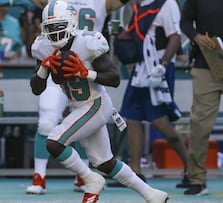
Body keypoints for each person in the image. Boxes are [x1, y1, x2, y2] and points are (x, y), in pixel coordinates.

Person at [30, 1, 169, 203]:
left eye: (58, 26)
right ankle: (152, 194)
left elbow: (114, 78)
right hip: (79, 106)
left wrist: (85, 73)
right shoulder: (43, 47)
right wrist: (43, 70)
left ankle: (89, 178)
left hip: (96, 104)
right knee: (105, 162)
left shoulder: (87, 42)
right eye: (49, 28)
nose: (54, 32)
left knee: (54, 142)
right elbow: (36, 89)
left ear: (70, 23)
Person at [25, 0, 133, 194]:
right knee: (47, 123)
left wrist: (86, 73)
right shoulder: (53, 7)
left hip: (86, 67)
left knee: (84, 122)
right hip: (55, 66)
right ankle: (39, 176)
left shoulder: (101, 3)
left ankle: (83, 177)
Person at [109, 0, 189, 188]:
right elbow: (137, 34)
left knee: (160, 121)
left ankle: (191, 167)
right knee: (133, 117)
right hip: (141, 68)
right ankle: (135, 173)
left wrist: (162, 65)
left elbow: (175, 37)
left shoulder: (167, 3)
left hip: (158, 66)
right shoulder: (139, 4)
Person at [180, 0, 223, 196]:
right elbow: (184, 22)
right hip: (205, 65)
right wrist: (196, 37)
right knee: (199, 125)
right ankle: (197, 179)